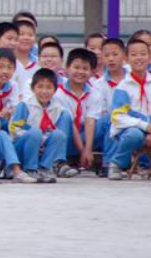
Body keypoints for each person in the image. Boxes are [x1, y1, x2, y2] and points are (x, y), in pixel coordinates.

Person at [8, 68, 70, 183]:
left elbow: (50, 130)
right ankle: (30, 168)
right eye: (40, 87)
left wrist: (43, 139)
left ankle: (44, 168)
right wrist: (38, 138)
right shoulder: (25, 105)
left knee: (59, 135)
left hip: (40, 148)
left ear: (55, 90)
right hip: (21, 147)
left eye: (49, 87)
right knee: (35, 132)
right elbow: (14, 130)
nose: (44, 91)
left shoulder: (57, 108)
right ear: (33, 88)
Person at [108, 37, 151, 180]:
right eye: (134, 54)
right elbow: (118, 117)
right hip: (130, 130)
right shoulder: (123, 87)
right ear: (126, 58)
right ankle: (117, 164)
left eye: (143, 53)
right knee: (134, 134)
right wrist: (145, 126)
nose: (139, 58)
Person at [53, 48, 97, 177]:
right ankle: (59, 162)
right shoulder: (58, 92)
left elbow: (90, 120)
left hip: (84, 135)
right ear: (66, 68)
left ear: (92, 72)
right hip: (66, 136)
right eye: (76, 67)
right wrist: (83, 151)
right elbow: (70, 123)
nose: (80, 72)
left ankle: (108, 163)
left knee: (106, 121)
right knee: (65, 117)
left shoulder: (94, 93)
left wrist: (88, 149)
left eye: (85, 68)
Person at [88, 38, 126, 169]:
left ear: (124, 56)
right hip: (106, 125)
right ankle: (108, 163)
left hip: (130, 122)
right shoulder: (98, 85)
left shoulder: (132, 79)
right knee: (111, 119)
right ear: (102, 58)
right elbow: (99, 113)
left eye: (115, 54)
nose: (111, 59)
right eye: (106, 55)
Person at [0, 48, 24, 132]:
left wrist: (9, 110)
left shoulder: (13, 86)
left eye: (9, 67)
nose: (5, 71)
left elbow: (15, 105)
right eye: (0, 67)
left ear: (14, 69)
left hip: (6, 122)